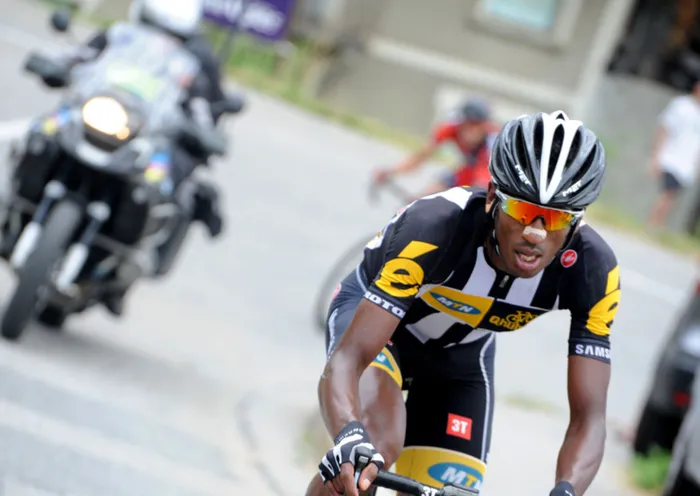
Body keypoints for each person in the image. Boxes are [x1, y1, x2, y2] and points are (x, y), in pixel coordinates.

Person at [309, 111, 620, 496]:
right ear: (492, 198)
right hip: (381, 332)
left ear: (575, 222)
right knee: (370, 451)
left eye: (554, 219)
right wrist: (348, 435)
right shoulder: (435, 226)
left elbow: (590, 418)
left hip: (460, 359)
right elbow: (349, 357)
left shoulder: (594, 270)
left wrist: (567, 490)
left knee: (452, 490)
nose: (534, 234)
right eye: (522, 211)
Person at [72, 0, 227, 315]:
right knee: (44, 131)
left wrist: (203, 130)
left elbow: (207, 109)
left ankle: (130, 264)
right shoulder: (118, 35)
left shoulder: (199, 61)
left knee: (168, 188)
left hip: (152, 138)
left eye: (174, 34)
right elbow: (80, 59)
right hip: (101, 114)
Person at [371, 97, 499, 200]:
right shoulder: (452, 128)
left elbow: (484, 182)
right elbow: (420, 156)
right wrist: (390, 171)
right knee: (424, 200)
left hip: (492, 180)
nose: (467, 131)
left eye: (473, 125)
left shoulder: (493, 141)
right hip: (468, 171)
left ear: (484, 126)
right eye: (464, 124)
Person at [647, 78, 700, 229]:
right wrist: (655, 155)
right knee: (668, 193)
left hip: (686, 164)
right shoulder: (682, 106)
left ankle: (656, 225)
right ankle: (653, 224)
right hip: (671, 158)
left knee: (671, 196)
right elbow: (664, 128)